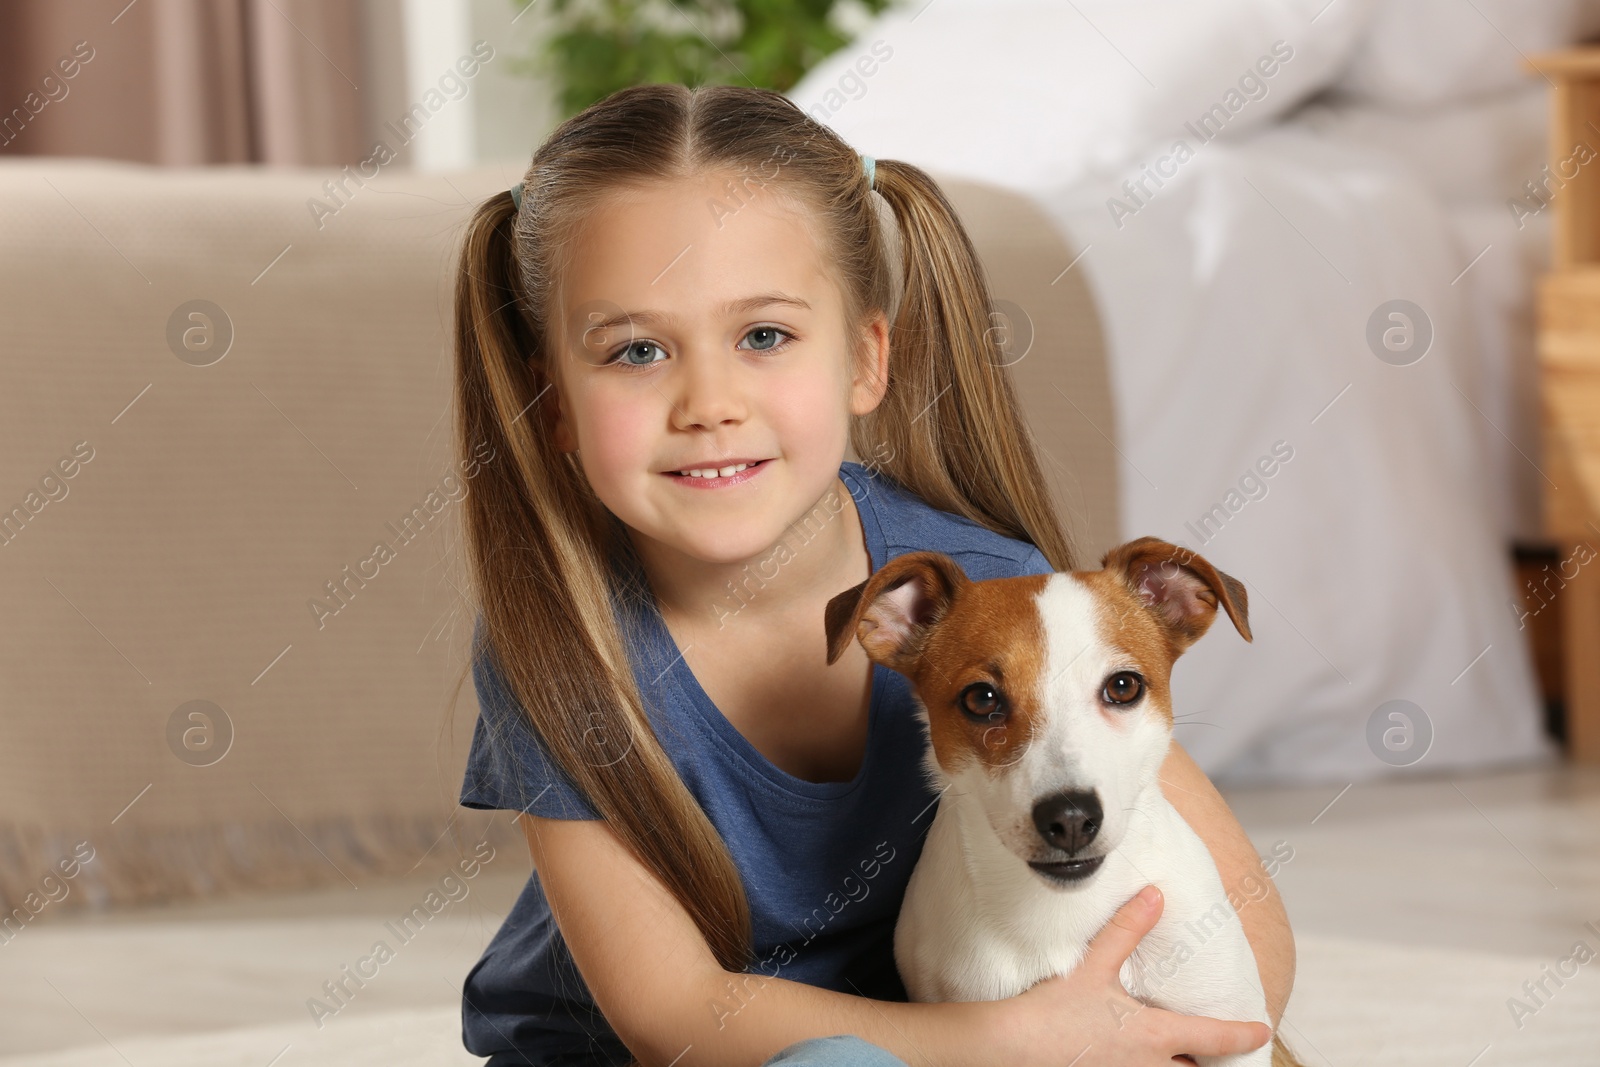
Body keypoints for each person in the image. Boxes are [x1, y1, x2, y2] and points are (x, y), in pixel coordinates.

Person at [451, 81, 1288, 1067]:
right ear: (555, 407)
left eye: (763, 335)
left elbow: (1238, 922)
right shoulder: (568, 638)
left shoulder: (993, 598)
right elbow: (673, 1014)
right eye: (636, 350)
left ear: (864, 356)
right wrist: (1010, 1039)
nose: (709, 401)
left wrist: (1168, 1030)